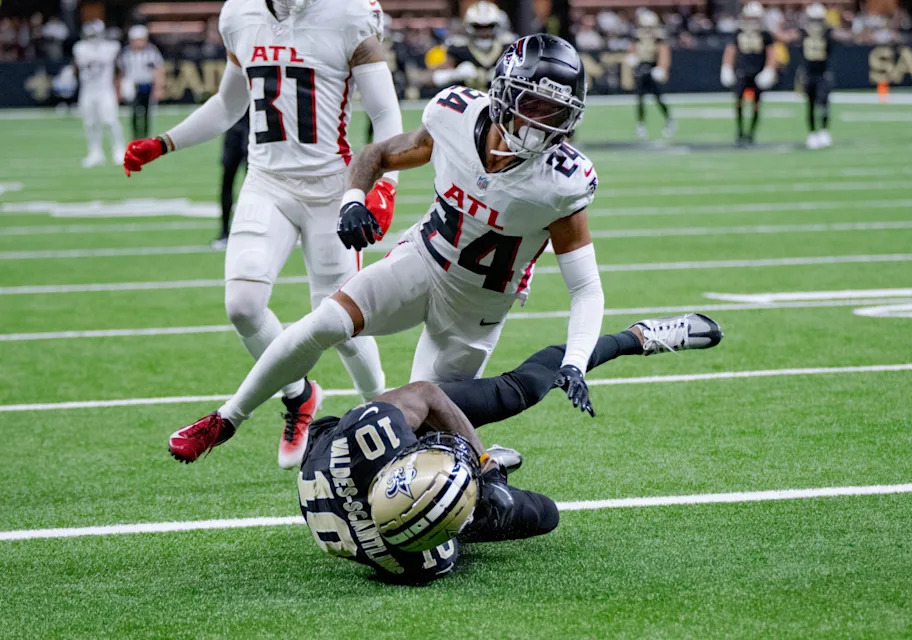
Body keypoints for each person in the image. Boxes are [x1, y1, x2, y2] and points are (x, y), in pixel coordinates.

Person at [166, 33, 613, 463]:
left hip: (476, 309)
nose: (539, 122)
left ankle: (479, 465)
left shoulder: (563, 184)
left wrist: (574, 362)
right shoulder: (453, 116)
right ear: (502, 92)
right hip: (421, 261)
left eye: (555, 112)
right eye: (532, 103)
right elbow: (374, 154)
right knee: (324, 321)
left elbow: (586, 288)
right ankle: (226, 419)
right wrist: (353, 200)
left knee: (420, 428)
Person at [186, 319, 723, 583]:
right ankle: (470, 488)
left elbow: (427, 395)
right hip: (401, 511)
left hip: (360, 468)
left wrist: (482, 463)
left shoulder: (361, 438)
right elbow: (436, 531)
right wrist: (475, 498)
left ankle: (637, 336)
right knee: (538, 516)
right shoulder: (419, 558)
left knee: (518, 391)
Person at [123, 0, 404, 469]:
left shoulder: (349, 14)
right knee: (243, 306)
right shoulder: (239, 15)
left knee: (342, 327)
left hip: (331, 187)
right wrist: (164, 142)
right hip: (267, 183)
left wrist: (385, 186)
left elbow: (387, 114)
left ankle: (393, 412)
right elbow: (227, 105)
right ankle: (299, 395)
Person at [720, 2, 777, 146]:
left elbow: (772, 53)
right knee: (738, 102)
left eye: (755, 18)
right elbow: (730, 50)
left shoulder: (765, 34)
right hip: (741, 71)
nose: (752, 21)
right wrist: (727, 67)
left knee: (756, 104)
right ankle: (739, 131)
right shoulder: (738, 32)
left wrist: (769, 69)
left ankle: (751, 133)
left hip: (757, 72)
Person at [73, 19, 125, 167]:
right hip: (88, 90)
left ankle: (119, 151)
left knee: (110, 121)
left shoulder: (111, 47)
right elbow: (76, 69)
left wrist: (119, 87)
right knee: (90, 123)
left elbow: (118, 69)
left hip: (105, 89)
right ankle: (95, 153)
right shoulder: (80, 48)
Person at [430, 1, 511, 91]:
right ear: (469, 27)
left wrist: (508, 74)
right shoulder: (459, 48)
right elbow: (430, 77)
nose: (484, 32)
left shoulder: (508, 48)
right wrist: (454, 74)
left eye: (489, 26)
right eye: (478, 27)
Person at [795, 4, 834, 149]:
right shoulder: (803, 32)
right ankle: (812, 133)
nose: (816, 23)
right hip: (808, 72)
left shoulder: (828, 32)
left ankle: (824, 130)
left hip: (822, 71)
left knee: (823, 103)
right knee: (810, 105)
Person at [631, 10, 674, 141]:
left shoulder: (658, 39)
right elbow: (633, 50)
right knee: (640, 99)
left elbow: (663, 53)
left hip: (653, 68)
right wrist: (632, 58)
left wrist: (661, 68)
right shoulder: (637, 37)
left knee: (658, 98)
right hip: (641, 68)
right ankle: (641, 124)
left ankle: (669, 120)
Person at [119, 25, 165, 140]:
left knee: (146, 112)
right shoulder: (126, 53)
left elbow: (159, 69)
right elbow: (121, 71)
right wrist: (120, 87)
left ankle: (145, 135)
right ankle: (135, 135)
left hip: (146, 84)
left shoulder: (151, 51)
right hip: (133, 85)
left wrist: (158, 87)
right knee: (133, 111)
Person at [212, 111, 250, 250]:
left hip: (253, 126)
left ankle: (249, 231)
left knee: (253, 183)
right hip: (234, 125)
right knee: (227, 180)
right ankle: (224, 232)